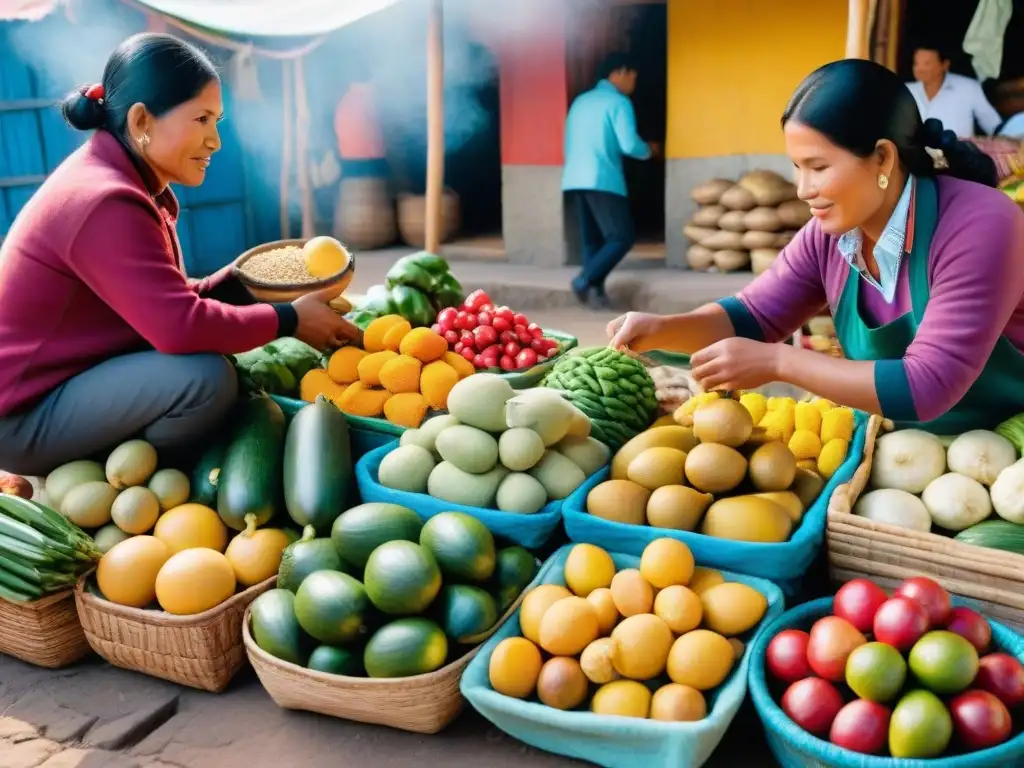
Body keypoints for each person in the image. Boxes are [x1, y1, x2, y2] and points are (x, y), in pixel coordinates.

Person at [0, 33, 358, 476]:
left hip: (68, 384)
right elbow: (177, 328)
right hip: (22, 418)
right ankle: (148, 481)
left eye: (217, 122)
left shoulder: (122, 180)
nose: (215, 141)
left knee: (208, 357)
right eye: (202, 119)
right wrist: (290, 320)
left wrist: (242, 283)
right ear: (141, 122)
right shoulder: (105, 201)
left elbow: (165, 303)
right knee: (203, 380)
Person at [609, 58, 1024, 433]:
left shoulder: (983, 224)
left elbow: (927, 385)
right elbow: (753, 316)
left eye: (819, 167)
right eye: (796, 167)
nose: (804, 190)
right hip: (902, 447)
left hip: (1003, 457)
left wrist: (778, 362)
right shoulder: (830, 233)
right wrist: (661, 330)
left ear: (883, 158)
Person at [563, 53, 658, 309]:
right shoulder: (618, 102)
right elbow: (629, 144)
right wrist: (649, 150)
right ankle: (584, 279)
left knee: (592, 241)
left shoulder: (581, 101)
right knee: (621, 237)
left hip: (574, 177)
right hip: (603, 177)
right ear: (619, 73)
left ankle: (596, 294)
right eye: (633, 76)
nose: (633, 83)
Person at [906, 44, 1003, 138]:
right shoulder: (906, 90)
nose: (920, 69)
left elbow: (994, 125)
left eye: (926, 63)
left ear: (944, 65)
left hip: (958, 152)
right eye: (916, 64)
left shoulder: (968, 87)